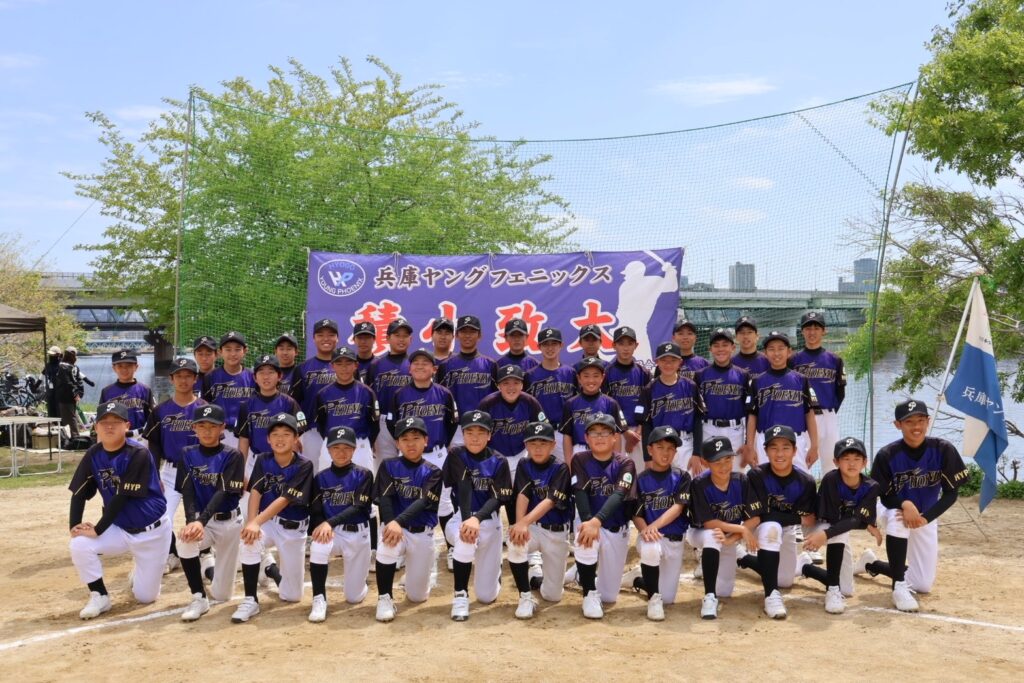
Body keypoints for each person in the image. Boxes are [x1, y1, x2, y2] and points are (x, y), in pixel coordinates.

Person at [859, 399, 969, 612]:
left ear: (928, 421)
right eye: (909, 422)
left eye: (920, 420)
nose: (916, 426)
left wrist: (925, 518)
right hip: (891, 507)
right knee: (899, 519)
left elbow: (951, 494)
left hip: (926, 513)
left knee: (922, 584)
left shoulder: (943, 449)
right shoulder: (887, 455)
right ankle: (898, 587)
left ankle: (871, 564)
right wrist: (904, 503)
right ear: (898, 425)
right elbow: (883, 496)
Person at [68, 402, 171, 619]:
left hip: (152, 532)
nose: (109, 426)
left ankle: (140, 573)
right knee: (79, 544)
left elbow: (122, 497)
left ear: (127, 426)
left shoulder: (138, 453)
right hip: (120, 528)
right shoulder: (93, 454)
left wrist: (98, 529)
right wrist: (74, 526)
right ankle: (100, 596)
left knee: (145, 597)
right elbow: (78, 492)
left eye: (116, 422)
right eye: (104, 422)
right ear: (95, 427)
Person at [233, 413, 314, 623]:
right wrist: (252, 523)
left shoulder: (304, 465)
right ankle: (250, 600)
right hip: (269, 523)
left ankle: (270, 569)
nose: (280, 439)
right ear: (268, 439)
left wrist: (256, 522)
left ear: (296, 438)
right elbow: (256, 491)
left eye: (286, 434)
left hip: (293, 529)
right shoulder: (263, 459)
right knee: (249, 541)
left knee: (292, 596)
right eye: (275, 434)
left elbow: (285, 499)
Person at [386, 348, 457, 571]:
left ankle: (452, 548)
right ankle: (400, 548)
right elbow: (392, 423)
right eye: (415, 363)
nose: (420, 366)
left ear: (434, 369)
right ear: (409, 368)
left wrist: (441, 442)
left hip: (437, 454)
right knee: (404, 499)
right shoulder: (400, 394)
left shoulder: (444, 393)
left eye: (425, 363)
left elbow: (452, 423)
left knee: (443, 502)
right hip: (407, 455)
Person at [738, 424, 817, 620]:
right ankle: (771, 595)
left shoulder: (806, 481)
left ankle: (743, 558)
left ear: (795, 451)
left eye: (785, 448)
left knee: (785, 581)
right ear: (765, 451)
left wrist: (795, 518)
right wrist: (797, 518)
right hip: (760, 528)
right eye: (773, 448)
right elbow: (760, 516)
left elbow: (809, 519)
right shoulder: (756, 475)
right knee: (770, 528)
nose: (779, 453)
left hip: (788, 529)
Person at [175, 403, 246, 621]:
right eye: (202, 426)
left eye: (213, 426)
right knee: (185, 541)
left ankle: (207, 564)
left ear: (222, 427)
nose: (207, 431)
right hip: (205, 522)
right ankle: (198, 597)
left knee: (222, 595)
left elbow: (222, 492)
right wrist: (192, 521)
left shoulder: (233, 455)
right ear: (194, 428)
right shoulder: (187, 454)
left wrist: (200, 521)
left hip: (230, 523)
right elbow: (187, 491)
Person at [441, 410, 512, 621]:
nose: (475, 437)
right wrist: (467, 521)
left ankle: (494, 572)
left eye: (481, 432)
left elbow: (498, 498)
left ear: (489, 435)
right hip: (461, 518)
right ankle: (460, 596)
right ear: (463, 434)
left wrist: (476, 519)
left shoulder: (499, 461)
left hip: (490, 522)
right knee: (465, 540)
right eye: (469, 432)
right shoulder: (456, 455)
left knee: (486, 597)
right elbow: (463, 488)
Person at [800, 437, 882, 614]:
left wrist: (864, 523)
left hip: (838, 529)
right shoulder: (831, 480)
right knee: (838, 532)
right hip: (817, 526)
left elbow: (856, 520)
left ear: (865, 462)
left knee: (847, 589)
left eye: (857, 459)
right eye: (846, 458)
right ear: (836, 462)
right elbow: (838, 521)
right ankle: (832, 590)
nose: (852, 463)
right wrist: (864, 525)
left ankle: (805, 567)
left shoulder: (871, 486)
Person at [373, 417, 443, 622]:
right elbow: (385, 498)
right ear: (397, 443)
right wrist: (390, 523)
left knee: (417, 597)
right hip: (397, 530)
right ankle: (384, 598)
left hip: (421, 533)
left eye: (416, 438)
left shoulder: (434, 471)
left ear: (426, 441)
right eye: (405, 439)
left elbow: (423, 502)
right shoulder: (388, 465)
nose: (410, 444)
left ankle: (412, 577)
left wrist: (398, 521)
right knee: (386, 545)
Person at [142, 357, 208, 574]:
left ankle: (204, 554)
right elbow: (154, 445)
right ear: (171, 379)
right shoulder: (160, 410)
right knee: (161, 517)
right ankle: (171, 554)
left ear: (195, 379)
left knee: (201, 517)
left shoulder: (204, 408)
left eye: (188, 375)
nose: (183, 380)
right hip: (170, 472)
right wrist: (154, 475)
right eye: (179, 376)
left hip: (198, 471)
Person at [571, 412, 637, 619]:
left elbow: (619, 494)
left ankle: (580, 572)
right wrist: (588, 522)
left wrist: (596, 521)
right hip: (590, 522)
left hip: (616, 528)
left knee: (609, 597)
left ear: (615, 437)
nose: (599, 437)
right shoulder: (580, 459)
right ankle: (588, 592)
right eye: (594, 432)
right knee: (584, 537)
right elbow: (580, 493)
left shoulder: (625, 463)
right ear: (586, 438)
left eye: (605, 432)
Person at [685, 436, 760, 620]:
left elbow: (755, 517)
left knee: (725, 591)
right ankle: (709, 597)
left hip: (728, 536)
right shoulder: (699, 484)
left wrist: (732, 539)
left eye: (727, 459)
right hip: (699, 533)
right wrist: (742, 530)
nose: (724, 466)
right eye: (717, 462)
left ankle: (737, 554)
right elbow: (709, 523)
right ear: (705, 463)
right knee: (713, 535)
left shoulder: (741, 480)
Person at [307, 425, 374, 622]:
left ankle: (360, 584)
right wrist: (322, 525)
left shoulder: (364, 474)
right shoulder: (320, 478)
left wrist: (329, 522)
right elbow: (316, 510)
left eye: (346, 448)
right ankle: (319, 598)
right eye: (336, 448)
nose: (341, 452)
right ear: (328, 450)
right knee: (318, 545)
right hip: (333, 534)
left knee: (354, 597)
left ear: (354, 449)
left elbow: (359, 507)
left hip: (358, 534)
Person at [507, 421, 572, 619]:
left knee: (553, 596)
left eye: (543, 443)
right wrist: (520, 525)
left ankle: (538, 578)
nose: (537, 448)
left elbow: (550, 501)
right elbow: (523, 494)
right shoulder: (524, 464)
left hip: (556, 533)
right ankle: (525, 596)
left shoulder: (561, 468)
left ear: (553, 445)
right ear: (525, 445)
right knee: (515, 542)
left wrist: (523, 523)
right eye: (532, 443)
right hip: (535, 528)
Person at [632, 426, 692, 621]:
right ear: (650, 450)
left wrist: (653, 526)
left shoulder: (682, 476)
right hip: (653, 538)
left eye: (670, 448)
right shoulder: (640, 480)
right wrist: (645, 530)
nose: (665, 453)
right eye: (660, 447)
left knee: (669, 598)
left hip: (674, 539)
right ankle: (653, 599)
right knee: (650, 546)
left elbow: (678, 507)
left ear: (675, 452)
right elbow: (636, 513)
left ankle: (637, 579)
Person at [477, 363, 544, 524]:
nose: (511, 387)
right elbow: (478, 433)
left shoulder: (530, 402)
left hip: (522, 454)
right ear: (498, 385)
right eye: (506, 383)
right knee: (493, 496)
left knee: (519, 495)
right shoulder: (488, 404)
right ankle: (492, 529)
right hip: (494, 457)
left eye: (516, 382)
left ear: (522, 384)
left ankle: (517, 528)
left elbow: (541, 430)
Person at [745, 331, 819, 473]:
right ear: (765, 353)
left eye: (781, 348)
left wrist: (814, 446)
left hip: (795, 439)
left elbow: (809, 414)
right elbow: (752, 416)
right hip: (766, 440)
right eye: (771, 349)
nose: (776, 353)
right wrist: (750, 447)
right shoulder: (757, 381)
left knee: (801, 480)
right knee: (765, 481)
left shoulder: (801, 380)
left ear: (789, 351)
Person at [791, 311, 846, 476]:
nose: (812, 332)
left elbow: (840, 391)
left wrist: (829, 411)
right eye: (808, 328)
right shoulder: (793, 360)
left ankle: (829, 493)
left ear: (824, 331)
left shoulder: (835, 360)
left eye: (816, 328)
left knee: (832, 465)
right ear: (802, 331)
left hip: (828, 415)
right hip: (803, 417)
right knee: (800, 464)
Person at [638, 342, 705, 475]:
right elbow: (646, 425)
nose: (668, 364)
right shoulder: (649, 390)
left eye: (673, 360)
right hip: (659, 444)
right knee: (661, 484)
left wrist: (697, 453)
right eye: (664, 360)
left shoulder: (690, 386)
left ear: (680, 362)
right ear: (656, 361)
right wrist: (647, 458)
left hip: (685, 443)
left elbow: (698, 420)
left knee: (688, 484)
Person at [313, 346, 380, 473]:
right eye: (339, 364)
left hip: (359, 444)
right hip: (332, 444)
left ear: (356, 365)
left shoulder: (367, 392)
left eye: (348, 363)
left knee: (364, 483)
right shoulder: (323, 394)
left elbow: (374, 425)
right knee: (327, 482)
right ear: (332, 366)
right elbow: (320, 424)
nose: (344, 368)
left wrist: (367, 444)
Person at [236, 354, 306, 475]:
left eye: (271, 372)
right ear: (255, 378)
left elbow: (295, 440)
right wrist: (239, 472)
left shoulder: (289, 403)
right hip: (256, 462)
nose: (266, 377)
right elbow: (244, 439)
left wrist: (293, 468)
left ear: (279, 376)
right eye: (261, 372)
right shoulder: (246, 405)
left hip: (284, 462)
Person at [696, 328, 753, 471]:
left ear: (733, 347)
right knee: (708, 474)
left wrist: (748, 443)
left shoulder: (743, 375)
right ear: (710, 349)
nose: (720, 349)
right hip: (708, 429)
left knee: (736, 473)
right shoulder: (700, 375)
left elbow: (749, 412)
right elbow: (696, 413)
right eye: (716, 345)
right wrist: (697, 448)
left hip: (736, 431)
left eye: (725, 345)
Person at [437, 315, 497, 446]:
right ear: (457, 335)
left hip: (483, 425)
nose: (468, 335)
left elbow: (497, 399)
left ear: (479, 335)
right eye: (464, 331)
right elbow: (439, 400)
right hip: (456, 428)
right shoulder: (445, 366)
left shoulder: (490, 365)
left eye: (472, 332)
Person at [559, 357, 628, 464]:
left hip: (606, 450)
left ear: (602, 377)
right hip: (580, 450)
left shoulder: (611, 403)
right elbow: (567, 435)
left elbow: (617, 434)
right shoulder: (571, 404)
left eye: (596, 376)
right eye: (586, 376)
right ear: (579, 378)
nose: (591, 380)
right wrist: (569, 464)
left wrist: (615, 462)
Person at [602, 326, 652, 473]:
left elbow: (649, 404)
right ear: (614, 345)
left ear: (636, 345)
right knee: (616, 474)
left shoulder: (644, 373)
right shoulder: (607, 373)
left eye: (630, 343)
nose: (625, 348)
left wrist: (638, 432)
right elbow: (606, 406)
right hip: (615, 432)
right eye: (621, 343)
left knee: (640, 473)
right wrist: (624, 431)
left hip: (640, 431)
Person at [524, 327, 577, 463]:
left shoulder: (570, 373)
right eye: (545, 344)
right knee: (536, 470)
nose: (550, 348)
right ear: (539, 347)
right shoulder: (530, 376)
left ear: (561, 345)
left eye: (554, 344)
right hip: (538, 432)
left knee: (567, 469)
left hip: (563, 432)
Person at [289, 318, 340, 458]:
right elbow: (293, 404)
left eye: (331, 335)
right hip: (311, 431)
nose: (326, 339)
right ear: (314, 339)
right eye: (320, 335)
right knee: (311, 470)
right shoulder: (302, 369)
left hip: (342, 429)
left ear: (337, 338)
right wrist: (295, 433)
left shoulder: (348, 367)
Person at [365, 318, 413, 464]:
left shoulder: (416, 363)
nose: (401, 339)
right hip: (383, 422)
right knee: (384, 466)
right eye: (397, 335)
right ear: (387, 338)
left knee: (410, 464)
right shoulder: (376, 365)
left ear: (411, 339)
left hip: (410, 419)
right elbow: (368, 400)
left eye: (405, 336)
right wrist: (371, 432)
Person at [201, 332, 255, 449]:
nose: (233, 354)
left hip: (247, 434)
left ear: (245, 351)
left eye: (237, 349)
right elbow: (205, 408)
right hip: (219, 433)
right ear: (220, 352)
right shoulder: (210, 377)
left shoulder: (254, 377)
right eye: (228, 349)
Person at [99, 349, 154, 442]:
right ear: (114, 368)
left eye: (129, 365)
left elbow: (153, 418)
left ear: (136, 367)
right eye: (120, 366)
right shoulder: (106, 392)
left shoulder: (145, 390)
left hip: (140, 437)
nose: (124, 369)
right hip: (114, 437)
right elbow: (101, 419)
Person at [55, 347, 85, 440]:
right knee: (72, 415)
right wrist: (79, 393)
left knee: (68, 417)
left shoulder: (62, 366)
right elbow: (79, 381)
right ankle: (74, 436)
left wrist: (75, 393)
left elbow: (67, 382)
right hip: (73, 395)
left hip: (65, 395)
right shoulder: (75, 367)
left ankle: (74, 437)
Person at [731, 315, 770, 381]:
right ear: (736, 337)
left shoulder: (768, 361)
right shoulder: (730, 362)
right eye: (742, 333)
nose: (745, 336)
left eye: (749, 332)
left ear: (757, 336)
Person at [45, 345, 61, 418]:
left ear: (58, 355)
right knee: (51, 411)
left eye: (53, 355)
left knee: (59, 412)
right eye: (50, 355)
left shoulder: (62, 365)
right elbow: (43, 375)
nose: (51, 356)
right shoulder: (48, 365)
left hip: (60, 391)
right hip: (51, 391)